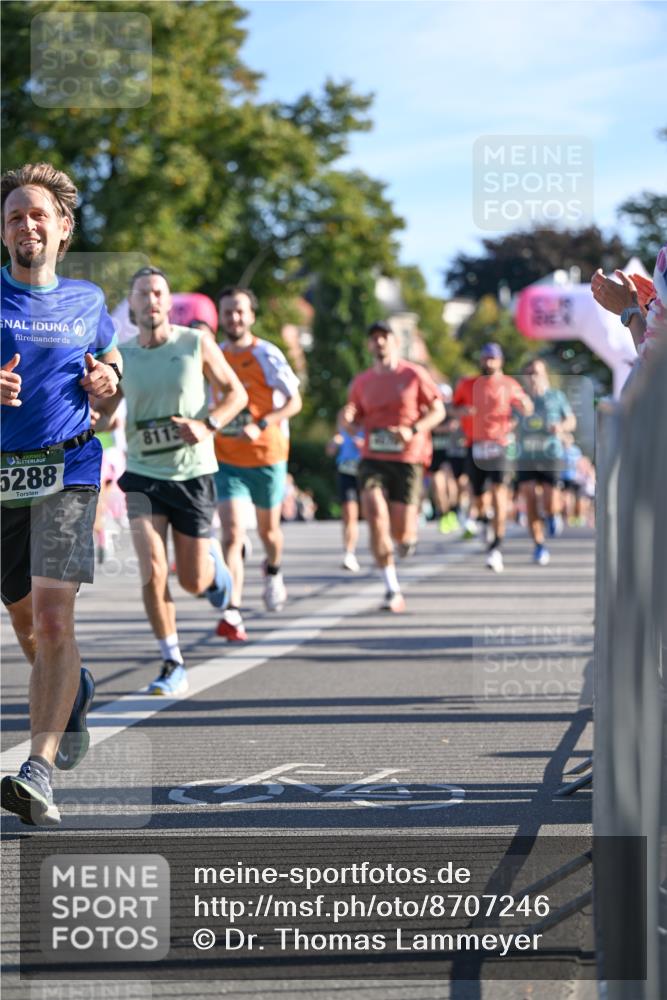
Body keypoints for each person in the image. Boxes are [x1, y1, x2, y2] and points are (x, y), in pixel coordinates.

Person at [0, 163, 122, 825]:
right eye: (15, 214)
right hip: (2, 481)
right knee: (25, 626)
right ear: (2, 230)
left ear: (63, 228)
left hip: (69, 470)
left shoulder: (87, 302)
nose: (27, 224)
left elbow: (110, 372)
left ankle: (38, 768)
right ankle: (72, 689)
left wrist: (108, 383)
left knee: (52, 620)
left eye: (38, 213)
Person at [92, 266, 247, 694]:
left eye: (159, 292)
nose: (152, 300)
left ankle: (216, 575)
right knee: (152, 570)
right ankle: (171, 660)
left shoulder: (196, 342)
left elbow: (237, 394)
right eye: (143, 294)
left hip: (192, 473)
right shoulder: (121, 355)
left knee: (193, 581)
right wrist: (93, 415)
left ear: (167, 299)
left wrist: (209, 425)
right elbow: (108, 413)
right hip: (142, 474)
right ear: (134, 303)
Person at [213, 287, 302, 642]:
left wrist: (262, 423)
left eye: (240, 311)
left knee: (269, 533)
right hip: (227, 458)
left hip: (267, 455)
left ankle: (274, 570)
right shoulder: (215, 355)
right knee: (232, 533)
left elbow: (294, 402)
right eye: (228, 312)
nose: (233, 318)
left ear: (251, 315)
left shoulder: (267, 353)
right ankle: (232, 611)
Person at [342, 321, 445, 612]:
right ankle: (391, 586)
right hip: (373, 457)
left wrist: (412, 431)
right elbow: (353, 417)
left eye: (384, 337)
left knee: (401, 532)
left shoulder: (414, 374)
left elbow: (438, 411)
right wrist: (348, 420)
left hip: (408, 458)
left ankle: (405, 540)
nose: (379, 343)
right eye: (373, 338)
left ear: (395, 342)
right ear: (369, 345)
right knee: (374, 514)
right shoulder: (361, 382)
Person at [452, 343, 532, 572]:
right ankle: (484, 520)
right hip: (475, 444)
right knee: (478, 497)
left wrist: (524, 406)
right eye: (485, 358)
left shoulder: (509, 384)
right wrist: (462, 412)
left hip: (500, 445)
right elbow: (452, 408)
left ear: (500, 361)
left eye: (492, 358)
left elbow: (525, 407)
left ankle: (495, 547)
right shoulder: (467, 384)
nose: (488, 362)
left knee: (499, 492)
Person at [516, 360, 576, 565]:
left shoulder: (556, 397)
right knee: (530, 498)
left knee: (550, 502)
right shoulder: (519, 400)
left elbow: (571, 421)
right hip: (526, 457)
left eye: (537, 372)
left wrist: (560, 427)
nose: (533, 376)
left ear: (545, 374)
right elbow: (509, 423)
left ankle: (552, 514)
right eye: (529, 373)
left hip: (551, 454)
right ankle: (539, 545)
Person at [428, 383, 469, 535]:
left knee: (453, 484)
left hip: (452, 453)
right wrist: (441, 428)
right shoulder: (431, 409)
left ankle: (455, 509)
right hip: (435, 453)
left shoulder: (454, 411)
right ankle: (445, 514)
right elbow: (428, 426)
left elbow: (461, 426)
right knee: (438, 486)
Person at [326, 419, 364, 572]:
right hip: (347, 472)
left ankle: (382, 550)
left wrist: (363, 445)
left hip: (368, 472)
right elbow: (329, 451)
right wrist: (334, 443)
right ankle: (349, 553)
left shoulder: (370, 421)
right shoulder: (343, 428)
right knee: (349, 513)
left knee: (373, 513)